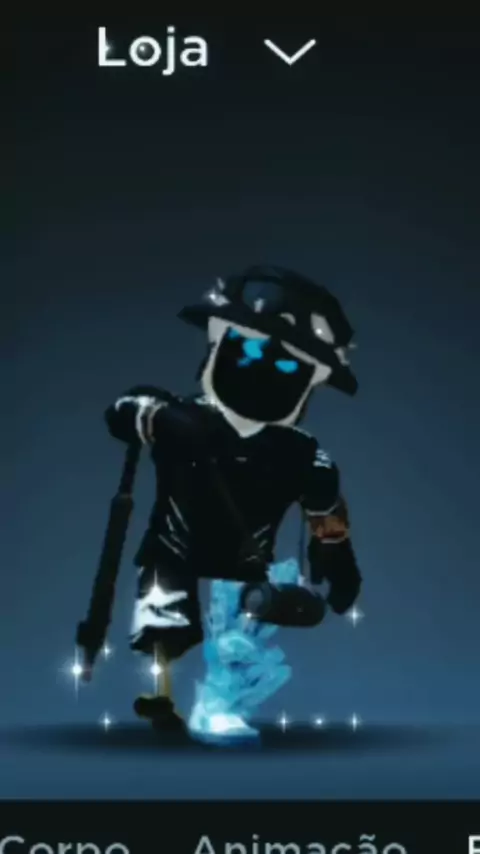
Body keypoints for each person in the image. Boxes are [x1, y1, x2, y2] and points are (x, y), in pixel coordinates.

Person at [82, 265, 362, 741]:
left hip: (245, 566)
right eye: (246, 349)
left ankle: (220, 702)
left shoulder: (301, 452)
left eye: (288, 366)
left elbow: (324, 509)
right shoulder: (178, 414)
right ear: (218, 342)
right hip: (173, 549)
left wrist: (336, 557)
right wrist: (161, 417)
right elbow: (124, 412)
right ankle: (162, 694)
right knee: (164, 619)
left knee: (239, 636)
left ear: (308, 381)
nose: (261, 369)